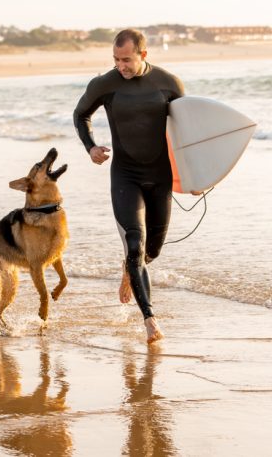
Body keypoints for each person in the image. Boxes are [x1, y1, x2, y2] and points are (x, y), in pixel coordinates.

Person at [73, 29, 184, 344]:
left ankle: (129, 269)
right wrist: (91, 147)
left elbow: (187, 132)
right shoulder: (104, 85)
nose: (120, 66)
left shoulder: (169, 83)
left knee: (153, 250)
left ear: (143, 55)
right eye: (115, 60)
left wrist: (193, 177)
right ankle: (149, 319)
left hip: (160, 177)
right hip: (125, 175)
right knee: (135, 244)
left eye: (126, 60)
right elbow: (81, 115)